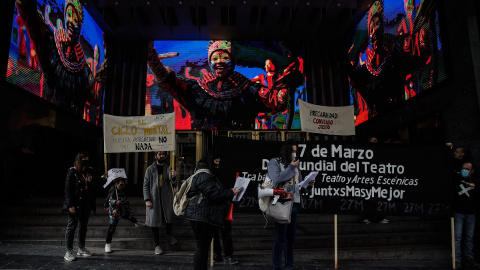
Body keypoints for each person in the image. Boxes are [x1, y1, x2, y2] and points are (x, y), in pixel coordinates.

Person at [147, 40, 304, 129]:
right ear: (209, 62)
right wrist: (153, 61)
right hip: (207, 147)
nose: (219, 62)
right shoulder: (198, 88)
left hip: (241, 146)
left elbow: (275, 102)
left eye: (224, 57)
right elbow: (170, 83)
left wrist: (286, 83)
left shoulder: (247, 87)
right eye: (215, 58)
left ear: (233, 61)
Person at [184, 149, 241, 270]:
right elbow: (213, 194)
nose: (217, 164)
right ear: (210, 160)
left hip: (201, 214)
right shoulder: (204, 174)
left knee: (202, 246)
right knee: (202, 247)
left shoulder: (204, 173)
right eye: (216, 161)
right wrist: (230, 192)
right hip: (201, 215)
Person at [267, 139, 314, 270]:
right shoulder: (274, 162)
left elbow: (298, 184)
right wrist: (291, 167)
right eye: (292, 151)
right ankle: (277, 266)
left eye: (296, 151)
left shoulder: (295, 165)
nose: (295, 154)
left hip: (295, 203)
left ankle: (289, 266)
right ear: (286, 151)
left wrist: (307, 185)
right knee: (280, 237)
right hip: (282, 203)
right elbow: (276, 178)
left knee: (291, 238)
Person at [62, 152, 96, 262]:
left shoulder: (88, 172)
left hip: (85, 205)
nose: (86, 162)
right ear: (79, 160)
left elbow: (91, 188)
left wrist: (92, 180)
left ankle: (81, 248)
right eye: (84, 160)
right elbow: (68, 189)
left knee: (83, 227)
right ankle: (69, 251)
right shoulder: (72, 172)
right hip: (75, 204)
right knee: (72, 226)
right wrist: (70, 205)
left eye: (87, 159)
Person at [143, 151, 178, 255]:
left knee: (169, 217)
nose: (161, 156)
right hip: (154, 198)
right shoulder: (150, 169)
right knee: (154, 221)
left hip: (166, 197)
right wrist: (147, 199)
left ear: (166, 156)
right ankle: (157, 245)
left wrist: (174, 177)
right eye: (159, 154)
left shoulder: (169, 168)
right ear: (155, 156)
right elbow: (145, 185)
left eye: (163, 154)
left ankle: (169, 234)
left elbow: (174, 184)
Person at [105, 177, 145, 253]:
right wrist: (115, 202)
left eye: (123, 183)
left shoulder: (123, 191)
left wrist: (128, 212)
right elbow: (110, 200)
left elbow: (126, 201)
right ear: (116, 184)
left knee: (130, 217)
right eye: (121, 184)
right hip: (115, 212)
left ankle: (137, 222)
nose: (122, 185)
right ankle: (108, 244)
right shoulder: (113, 189)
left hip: (122, 210)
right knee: (112, 228)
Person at [452, 161, 479, 269]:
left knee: (469, 238)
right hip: (459, 212)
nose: (465, 170)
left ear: (472, 171)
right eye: (463, 168)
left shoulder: (475, 182)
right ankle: (456, 260)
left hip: (471, 214)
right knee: (457, 237)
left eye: (467, 169)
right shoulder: (456, 179)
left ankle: (469, 259)